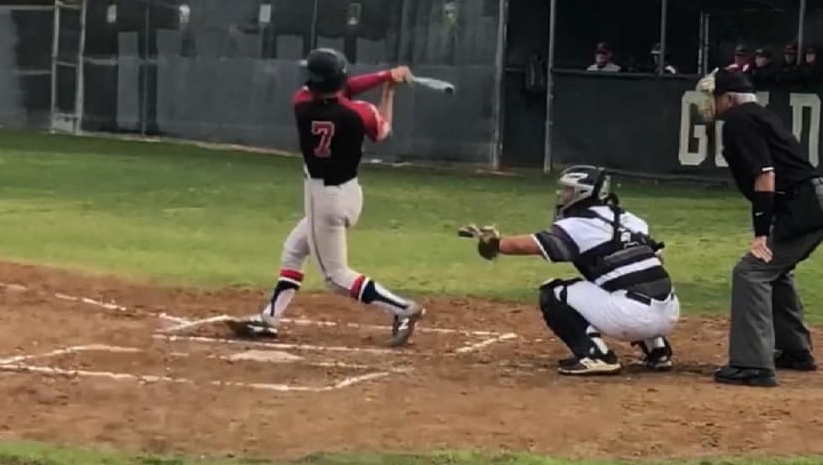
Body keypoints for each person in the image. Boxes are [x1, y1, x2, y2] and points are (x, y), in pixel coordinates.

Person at [224, 48, 425, 346]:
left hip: (324, 200)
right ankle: (269, 318)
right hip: (347, 193)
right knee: (294, 248)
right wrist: (388, 88)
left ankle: (402, 309)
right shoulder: (360, 113)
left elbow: (342, 87)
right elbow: (382, 129)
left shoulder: (301, 104)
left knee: (335, 276)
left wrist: (385, 75)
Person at [457, 165, 679, 376]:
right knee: (622, 280)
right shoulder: (631, 220)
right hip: (670, 313)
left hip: (631, 318)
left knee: (554, 293)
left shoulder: (578, 224)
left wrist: (496, 243)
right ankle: (657, 350)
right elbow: (657, 254)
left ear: (583, 192)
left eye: (568, 189)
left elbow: (531, 245)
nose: (562, 194)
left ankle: (595, 356)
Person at [696, 69, 823, 387]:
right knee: (774, 270)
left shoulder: (739, 120)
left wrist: (761, 234)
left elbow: (765, 175)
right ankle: (794, 351)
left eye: (713, 97)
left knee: (751, 272)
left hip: (805, 204)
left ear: (727, 98)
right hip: (809, 200)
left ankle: (753, 365)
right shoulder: (757, 115)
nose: (709, 104)